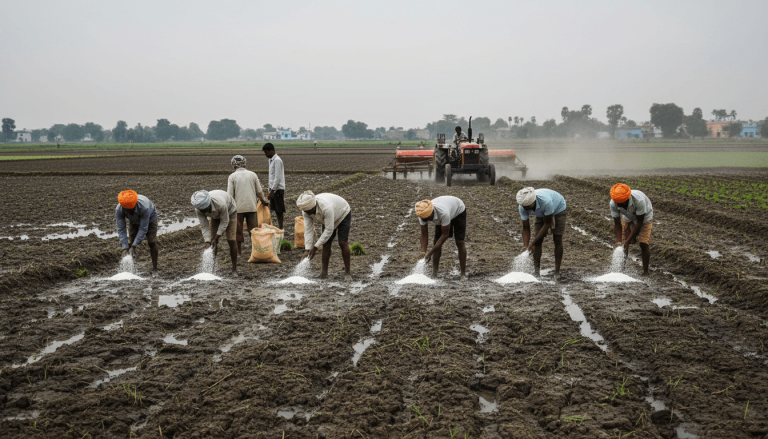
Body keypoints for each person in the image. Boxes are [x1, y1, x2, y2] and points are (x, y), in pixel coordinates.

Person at [297, 191, 351, 279]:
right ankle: (324, 273)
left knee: (342, 242)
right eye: (305, 211)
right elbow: (309, 230)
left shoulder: (326, 207)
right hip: (327, 219)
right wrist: (307, 249)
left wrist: (315, 247)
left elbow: (329, 230)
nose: (307, 213)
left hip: (342, 213)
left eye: (308, 211)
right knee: (326, 244)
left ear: (313, 207)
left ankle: (348, 273)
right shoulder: (306, 211)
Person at [516, 187, 567, 279]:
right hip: (541, 212)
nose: (525, 209)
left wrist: (533, 243)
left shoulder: (545, 202)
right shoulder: (523, 206)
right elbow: (526, 227)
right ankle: (536, 272)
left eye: (527, 207)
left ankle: (557, 272)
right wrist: (526, 245)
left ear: (533, 202)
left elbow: (547, 223)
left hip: (558, 207)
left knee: (557, 239)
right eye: (524, 207)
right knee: (538, 241)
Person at [415, 196, 467, 280]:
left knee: (460, 242)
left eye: (426, 219)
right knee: (436, 241)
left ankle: (463, 274)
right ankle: (434, 274)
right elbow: (424, 234)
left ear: (430, 214)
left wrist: (430, 253)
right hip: (446, 209)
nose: (424, 220)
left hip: (458, 211)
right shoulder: (421, 212)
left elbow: (445, 235)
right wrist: (423, 251)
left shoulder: (443, 213)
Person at [227, 155, 269, 255]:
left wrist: (228, 208)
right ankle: (255, 250)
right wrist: (264, 200)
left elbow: (229, 195)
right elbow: (259, 191)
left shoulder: (232, 177)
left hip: (238, 208)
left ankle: (239, 251)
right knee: (253, 230)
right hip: (251, 207)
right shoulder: (253, 175)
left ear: (233, 165)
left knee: (238, 230)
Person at [610, 183, 654, 275]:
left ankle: (646, 272)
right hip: (627, 217)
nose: (620, 205)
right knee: (623, 245)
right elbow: (617, 224)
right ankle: (620, 271)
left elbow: (639, 223)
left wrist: (628, 240)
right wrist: (620, 241)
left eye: (622, 203)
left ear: (627, 199)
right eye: (618, 204)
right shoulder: (613, 203)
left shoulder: (639, 201)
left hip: (645, 217)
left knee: (643, 243)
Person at [191, 190, 238, 275]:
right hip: (214, 215)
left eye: (203, 209)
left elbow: (225, 221)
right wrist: (207, 241)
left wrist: (217, 237)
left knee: (231, 240)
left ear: (208, 205)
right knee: (212, 242)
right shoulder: (199, 209)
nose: (201, 211)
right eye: (200, 210)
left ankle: (234, 269)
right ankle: (211, 270)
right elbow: (204, 226)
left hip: (230, 212)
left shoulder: (220, 204)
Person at [116, 190, 159, 271]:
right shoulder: (119, 209)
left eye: (129, 210)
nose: (127, 211)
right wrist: (125, 247)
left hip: (150, 219)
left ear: (134, 205)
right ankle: (132, 269)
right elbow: (121, 229)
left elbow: (143, 228)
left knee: (152, 242)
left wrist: (134, 246)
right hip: (133, 221)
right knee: (130, 243)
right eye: (125, 209)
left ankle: (155, 269)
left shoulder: (144, 207)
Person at [262, 143, 285, 230]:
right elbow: (272, 177)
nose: (266, 154)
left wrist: (272, 191)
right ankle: (277, 228)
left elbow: (277, 177)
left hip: (278, 190)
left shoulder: (277, 161)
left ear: (272, 151)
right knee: (275, 209)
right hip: (273, 189)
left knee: (279, 211)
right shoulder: (271, 160)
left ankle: (281, 228)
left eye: (266, 152)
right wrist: (270, 190)